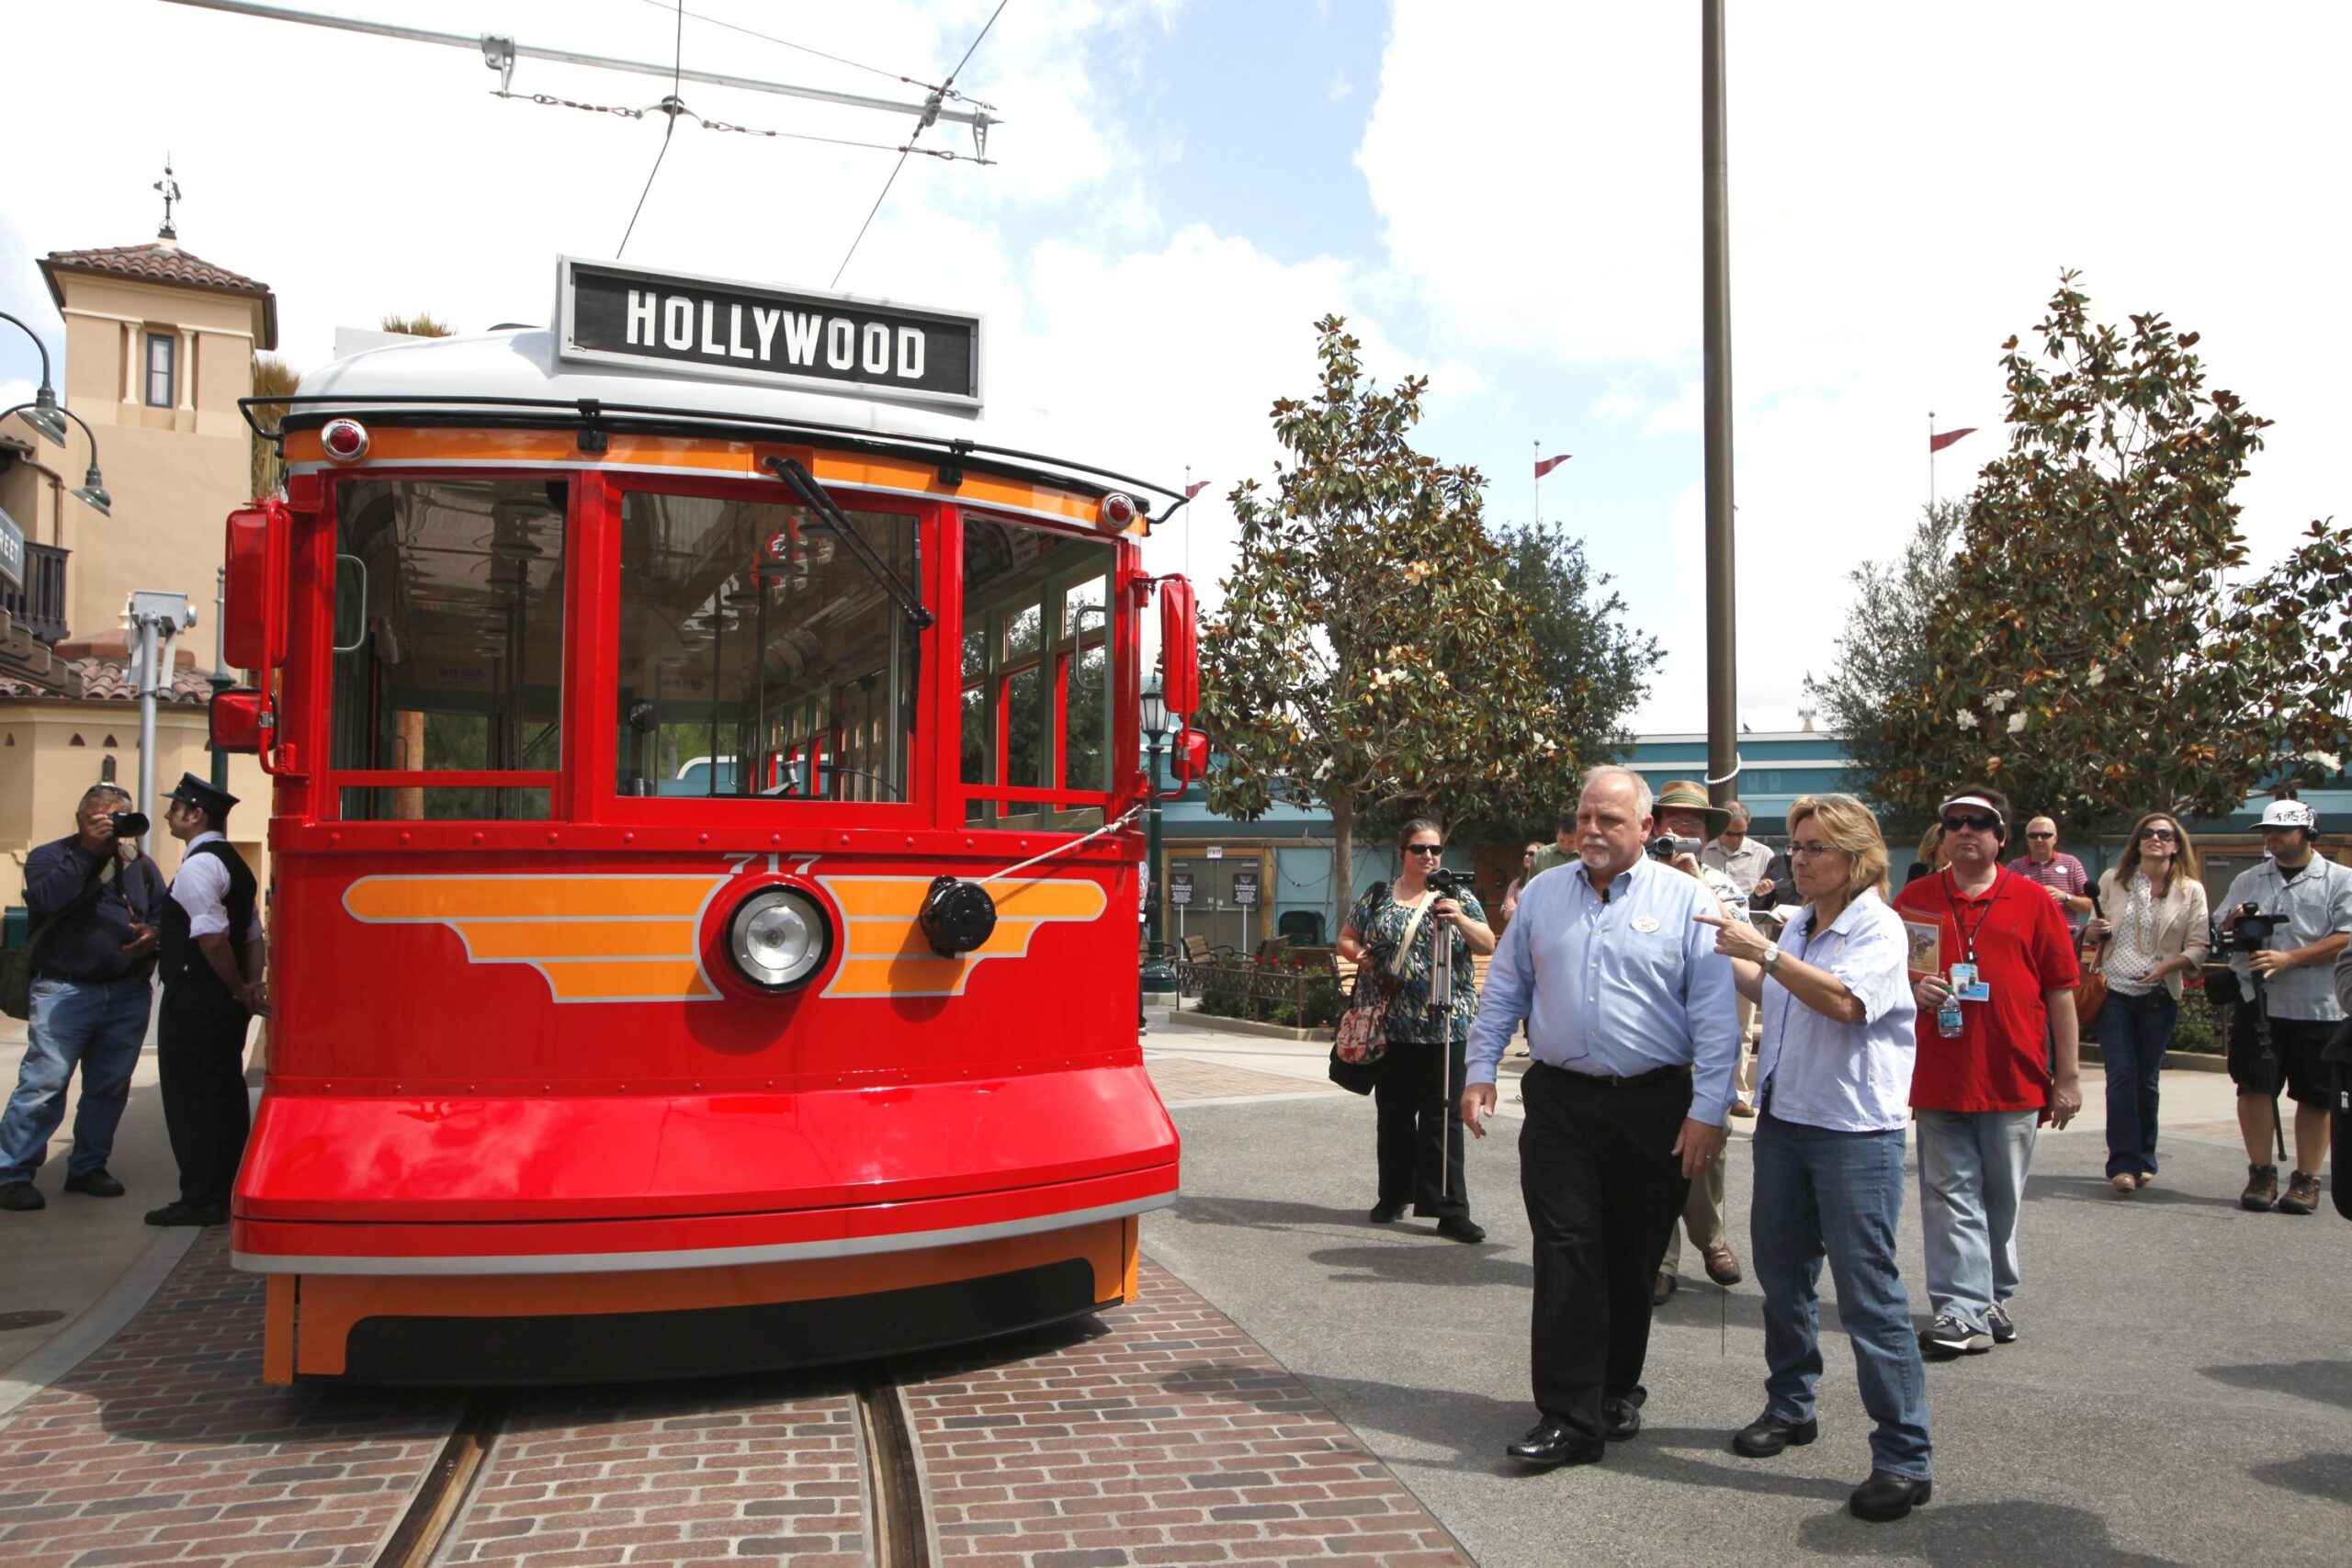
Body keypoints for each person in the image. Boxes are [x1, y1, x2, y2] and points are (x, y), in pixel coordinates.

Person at [1463, 766, 1738, 1470]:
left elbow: (1713, 1017)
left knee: (1632, 1255)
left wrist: (1709, 1110)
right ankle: (1568, 1413)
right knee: (1567, 1248)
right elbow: (1505, 992)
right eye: (1585, 816)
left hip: (1654, 1106)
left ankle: (1616, 1387)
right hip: (1562, 1101)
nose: (1591, 830)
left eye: (1609, 820)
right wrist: (1479, 1070)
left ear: (1647, 828)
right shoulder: (1544, 896)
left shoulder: (1685, 901)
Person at [1697, 795, 1932, 1523]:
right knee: (1783, 1275)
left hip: (1854, 1133)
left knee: (1869, 1294)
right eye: (1796, 846)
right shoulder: (1803, 921)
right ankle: (1791, 1405)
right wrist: (1719, 948)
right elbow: (1779, 987)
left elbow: (1844, 1003)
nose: (1799, 859)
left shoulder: (1879, 928)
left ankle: (1903, 1454)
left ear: (1856, 859)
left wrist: (1761, 949)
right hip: (1787, 1124)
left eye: (1815, 848)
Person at [1895, 788, 2079, 1359]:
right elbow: (1888, 977)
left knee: (2001, 1198)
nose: (1965, 831)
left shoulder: (2033, 900)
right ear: (1942, 835)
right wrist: (1911, 986)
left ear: (2001, 837)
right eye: (1954, 823)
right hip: (1940, 1074)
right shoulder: (1916, 899)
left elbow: (2062, 992)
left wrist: (2068, 1077)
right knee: (1950, 1196)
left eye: (1979, 824)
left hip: (2014, 1075)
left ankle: (1993, 1295)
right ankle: (1960, 1308)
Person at [0, 784, 166, 1213]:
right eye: (100, 817)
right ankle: (12, 1173)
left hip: (126, 990)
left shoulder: (139, 865)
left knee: (109, 1087)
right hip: (65, 991)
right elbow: (47, 899)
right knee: (43, 1085)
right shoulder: (51, 857)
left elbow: (162, 913)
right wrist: (90, 851)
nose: (110, 824)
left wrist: (154, 935)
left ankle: (88, 1167)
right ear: (81, 818)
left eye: (118, 817)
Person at [1338, 818, 1495, 1245]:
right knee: (1393, 1117)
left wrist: (1461, 918)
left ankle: (1449, 1209)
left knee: (1443, 1119)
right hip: (1390, 1025)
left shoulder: (1456, 896)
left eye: (1436, 849)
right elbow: (1346, 940)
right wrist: (1364, 958)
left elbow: (1488, 943)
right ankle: (1393, 1195)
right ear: (1402, 852)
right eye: (1419, 849)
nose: (1429, 856)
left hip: (1444, 1026)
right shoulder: (1376, 896)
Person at [2217, 798, 2352, 1215]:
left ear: (2307, 833)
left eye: (2280, 830)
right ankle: (2261, 1172)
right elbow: (2219, 928)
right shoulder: (2249, 879)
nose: (2271, 838)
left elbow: (2347, 936)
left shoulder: (2340, 879)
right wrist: (2230, 924)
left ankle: (2307, 1179)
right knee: (2253, 1087)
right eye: (2266, 831)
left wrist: (2290, 958)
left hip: (2318, 1007)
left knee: (2315, 1095)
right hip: (2259, 1002)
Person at [147, 773, 267, 1228]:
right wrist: (251, 985)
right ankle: (226, 1186)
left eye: (175, 807)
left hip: (196, 996)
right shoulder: (236, 864)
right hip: (222, 1002)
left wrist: (239, 987)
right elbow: (253, 933)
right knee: (223, 1092)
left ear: (195, 814)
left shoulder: (199, 866)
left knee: (192, 1099)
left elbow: (213, 938)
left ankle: (200, 1197)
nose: (167, 815)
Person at [1649, 780, 1746, 1301]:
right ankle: (1662, 1260)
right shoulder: (1631, 881)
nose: (1683, 828)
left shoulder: (1722, 885)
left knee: (1709, 1141)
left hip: (1706, 1042)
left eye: (1694, 822)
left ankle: (1710, 1238)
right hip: (1651, 1040)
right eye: (1674, 819)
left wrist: (1694, 885)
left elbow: (1740, 940)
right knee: (1656, 1149)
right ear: (1654, 826)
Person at [2080, 813, 2210, 1194]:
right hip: (2114, 992)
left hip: (2158, 995)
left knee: (2146, 1081)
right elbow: (2091, 928)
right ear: (2137, 842)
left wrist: (2168, 967)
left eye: (2163, 834)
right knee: (2120, 1076)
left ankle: (2144, 1158)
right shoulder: (2112, 881)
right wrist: (2092, 929)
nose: (2155, 838)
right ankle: (2122, 1163)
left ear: (2175, 844)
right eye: (2147, 833)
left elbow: (2199, 945)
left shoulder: (2191, 890)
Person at [2009, 816, 2094, 935]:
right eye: (2033, 836)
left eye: (2045, 835)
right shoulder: (2015, 867)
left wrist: (2065, 897)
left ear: (2055, 838)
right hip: (2029, 935)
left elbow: (2089, 905)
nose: (2039, 840)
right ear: (2027, 840)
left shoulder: (2071, 863)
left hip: (2065, 934)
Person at [1702, 800, 1771, 899]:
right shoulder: (1701, 852)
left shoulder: (1764, 854)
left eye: (1740, 834)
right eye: (1729, 834)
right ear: (1719, 827)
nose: (1735, 839)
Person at [1499, 841, 1542, 924]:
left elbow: (1543, 913)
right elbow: (1506, 913)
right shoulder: (1516, 884)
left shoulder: (1547, 881)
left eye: (1531, 854)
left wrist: (1517, 909)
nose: (1526, 856)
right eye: (1525, 853)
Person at [1904, 822, 1946, 888]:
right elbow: (1908, 896)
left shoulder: (1959, 871)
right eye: (1942, 842)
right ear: (1933, 846)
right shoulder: (1918, 870)